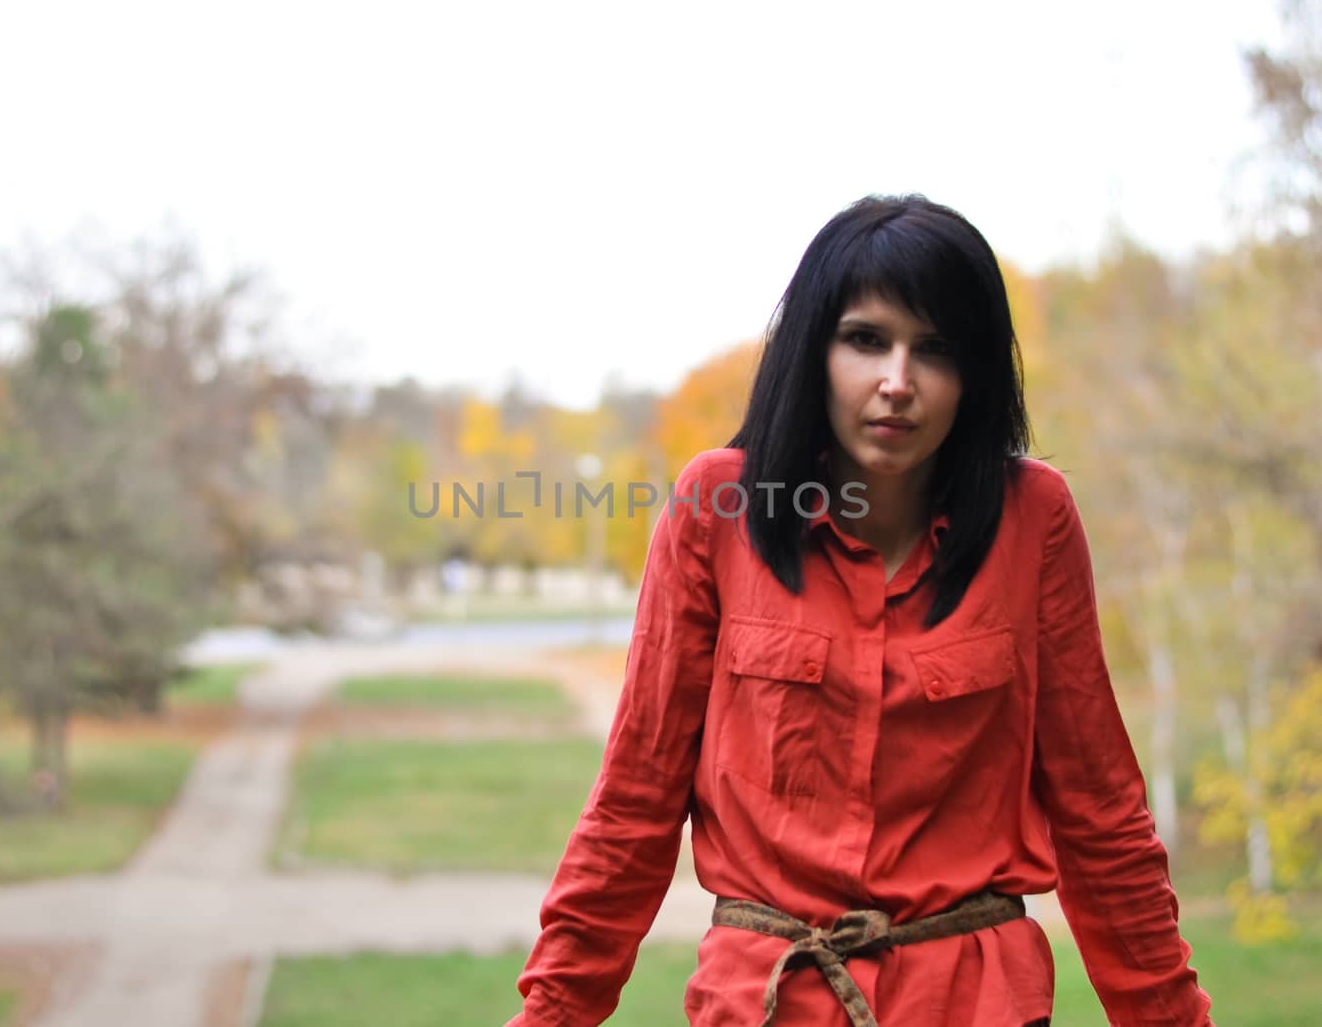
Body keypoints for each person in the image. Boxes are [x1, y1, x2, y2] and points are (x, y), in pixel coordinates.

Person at [506, 195, 1214, 1026]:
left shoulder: (1035, 519)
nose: (898, 382)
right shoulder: (717, 508)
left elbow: (1103, 816)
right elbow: (634, 804)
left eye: (937, 350)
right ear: (815, 349)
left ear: (976, 374)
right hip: (767, 1004)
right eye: (867, 339)